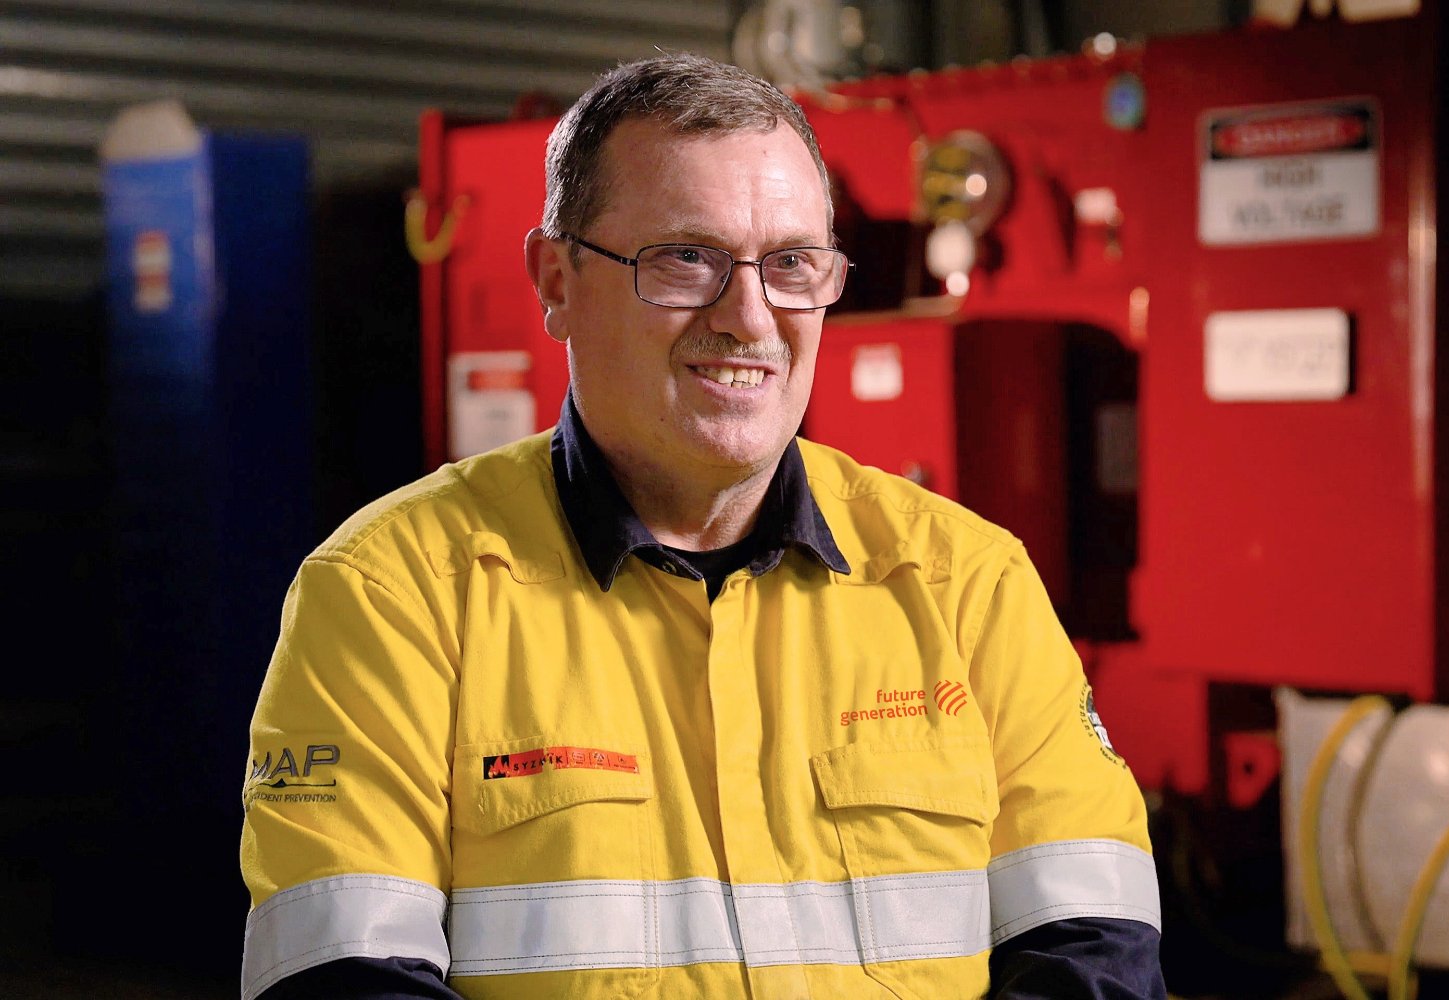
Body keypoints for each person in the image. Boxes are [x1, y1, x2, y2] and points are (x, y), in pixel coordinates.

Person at [239, 52, 1164, 1000]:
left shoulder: (968, 583)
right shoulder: (391, 596)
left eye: (792, 263)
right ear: (556, 280)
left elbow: (1094, 949)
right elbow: (342, 978)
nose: (749, 318)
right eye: (686, 258)